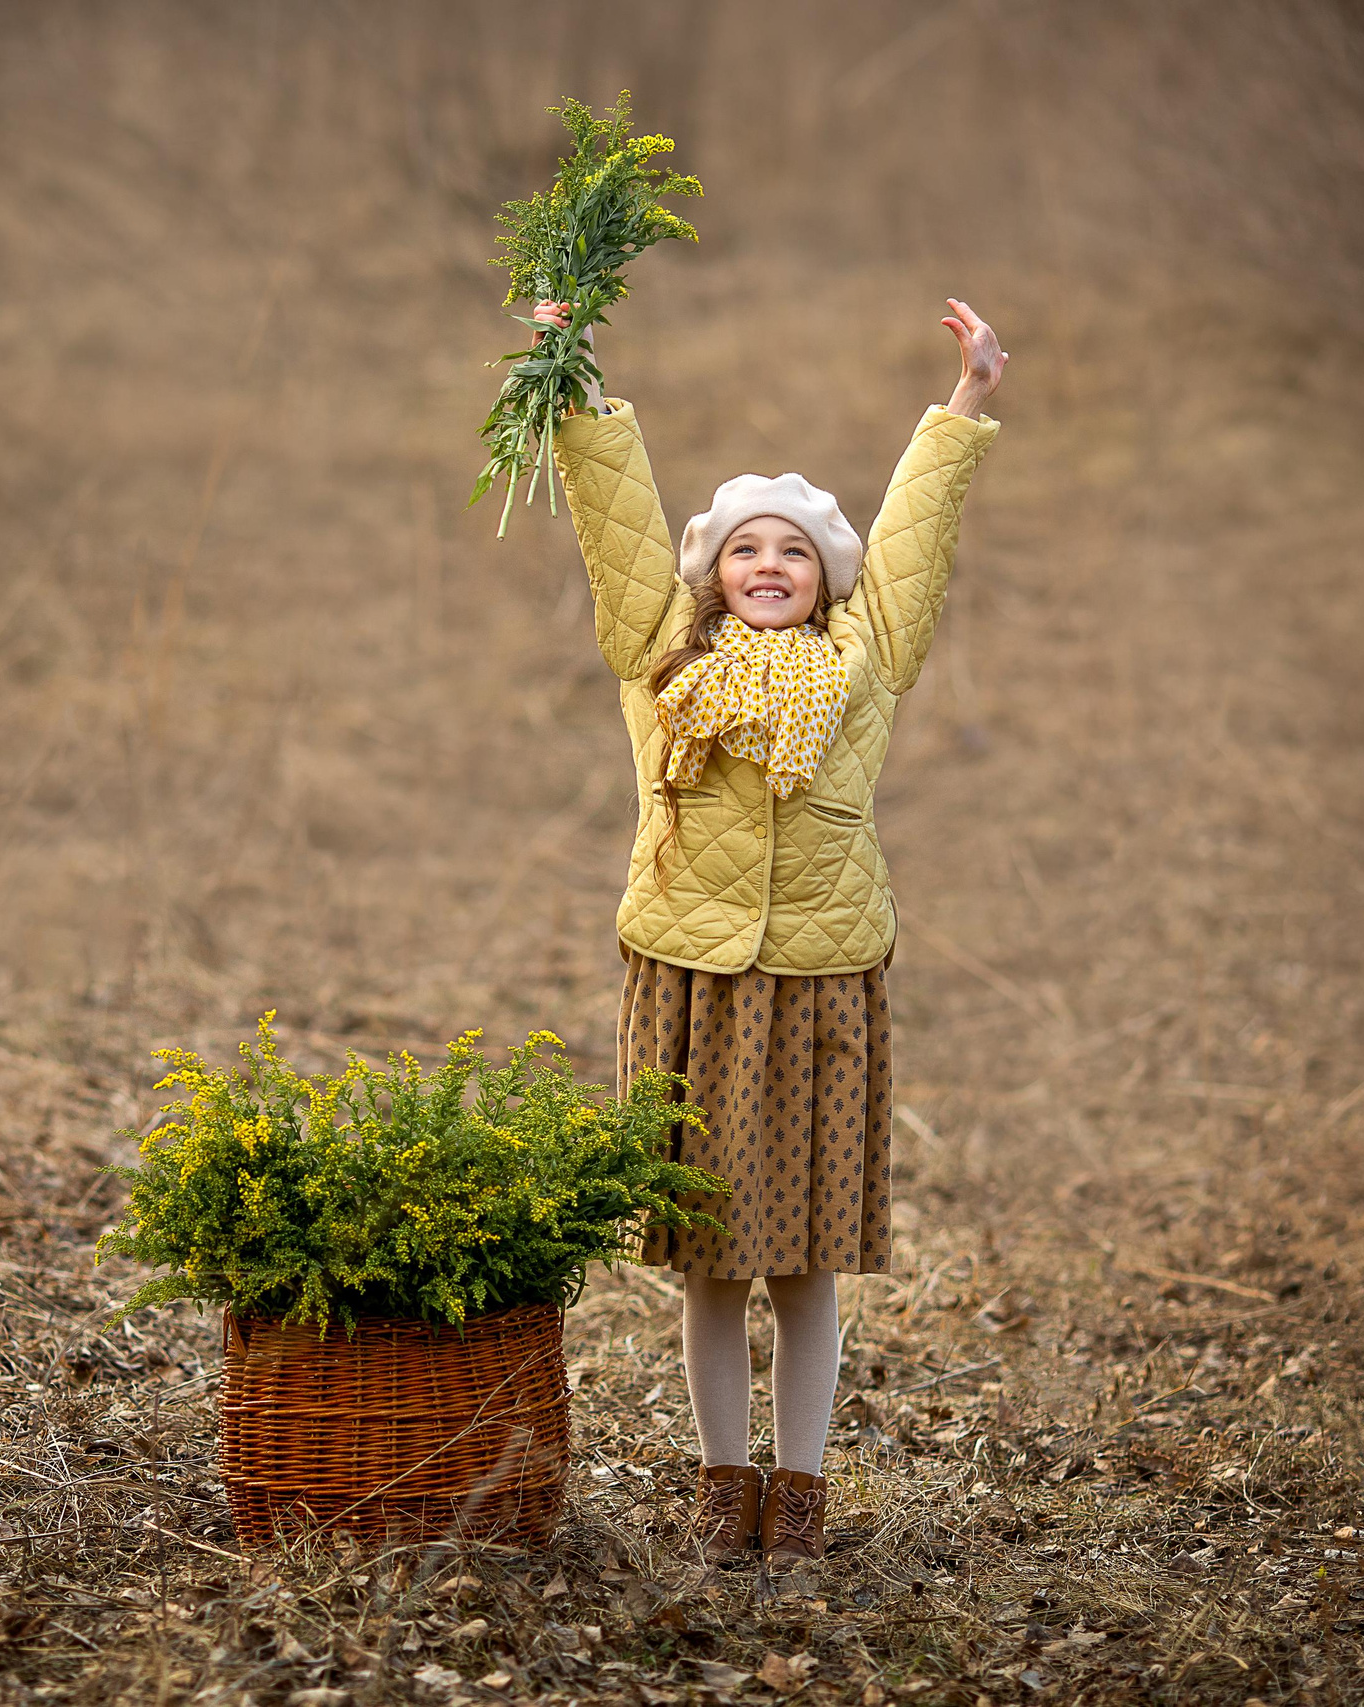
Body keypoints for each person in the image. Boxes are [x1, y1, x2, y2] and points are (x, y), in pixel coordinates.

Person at [535, 294, 1008, 1566]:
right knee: (708, 1266)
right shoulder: (660, 662)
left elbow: (914, 538)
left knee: (802, 1268)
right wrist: (569, 375)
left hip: (818, 983)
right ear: (712, 573)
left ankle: (797, 1498)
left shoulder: (867, 661)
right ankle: (719, 1483)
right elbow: (619, 527)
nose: (766, 567)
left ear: (822, 580)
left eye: (790, 554)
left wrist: (963, 402)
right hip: (686, 978)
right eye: (743, 549)